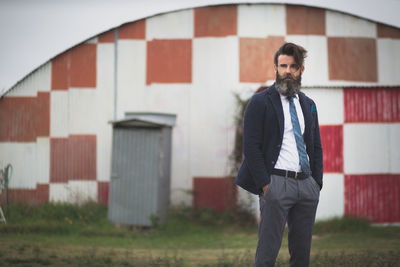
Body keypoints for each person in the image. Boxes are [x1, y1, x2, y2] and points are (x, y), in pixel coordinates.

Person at [235, 42, 323, 267]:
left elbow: (315, 146)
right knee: (267, 255)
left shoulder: (308, 104)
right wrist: (266, 186)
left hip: (306, 185)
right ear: (275, 68)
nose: (288, 71)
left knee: (302, 256)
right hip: (276, 183)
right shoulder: (260, 102)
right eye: (283, 66)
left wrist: (316, 183)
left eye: (293, 67)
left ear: (301, 70)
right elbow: (251, 147)